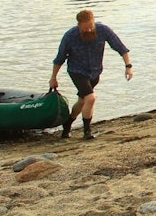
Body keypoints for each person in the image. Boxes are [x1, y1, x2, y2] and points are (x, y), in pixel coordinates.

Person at [50, 9, 132, 140]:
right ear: (79, 25)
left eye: (90, 27)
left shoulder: (103, 30)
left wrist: (128, 66)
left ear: (94, 22)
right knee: (91, 98)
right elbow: (59, 58)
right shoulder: (70, 36)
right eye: (85, 28)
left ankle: (68, 123)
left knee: (83, 101)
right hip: (77, 71)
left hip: (95, 72)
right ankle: (87, 132)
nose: (88, 30)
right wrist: (53, 78)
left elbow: (121, 48)